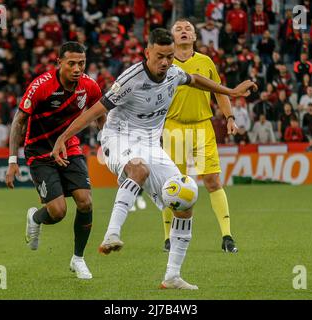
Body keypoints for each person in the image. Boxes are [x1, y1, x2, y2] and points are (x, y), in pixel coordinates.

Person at [51, 29, 256, 289]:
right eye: (160, 56)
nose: (165, 62)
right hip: (119, 137)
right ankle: (112, 234)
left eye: (169, 57)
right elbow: (94, 112)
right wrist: (62, 139)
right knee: (139, 170)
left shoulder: (173, 73)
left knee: (186, 196)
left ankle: (172, 275)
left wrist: (232, 92)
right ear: (147, 53)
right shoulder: (130, 80)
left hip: (150, 142)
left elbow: (195, 79)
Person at [5, 42, 106, 280]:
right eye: (71, 63)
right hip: (39, 152)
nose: (77, 68)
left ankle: (78, 259)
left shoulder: (89, 86)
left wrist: (109, 141)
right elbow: (19, 121)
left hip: (69, 147)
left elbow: (100, 113)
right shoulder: (41, 86)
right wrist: (12, 160)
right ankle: (36, 217)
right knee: (58, 212)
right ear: (59, 62)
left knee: (85, 202)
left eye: (81, 63)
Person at [162, 19, 239, 254]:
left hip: (202, 127)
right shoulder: (164, 63)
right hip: (173, 128)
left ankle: (227, 236)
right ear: (172, 37)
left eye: (188, 29)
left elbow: (219, 92)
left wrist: (229, 117)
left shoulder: (205, 62)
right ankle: (168, 238)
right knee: (172, 185)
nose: (183, 31)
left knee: (213, 181)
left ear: (195, 37)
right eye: (178, 29)